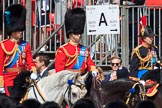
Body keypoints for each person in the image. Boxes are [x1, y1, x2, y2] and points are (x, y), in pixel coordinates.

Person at [55, 8, 104, 80]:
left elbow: (89, 63)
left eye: (80, 33)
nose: (79, 35)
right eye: (77, 33)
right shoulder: (62, 50)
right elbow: (59, 71)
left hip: (83, 78)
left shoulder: (84, 49)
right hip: (69, 80)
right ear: (70, 34)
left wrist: (93, 69)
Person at [0, 4, 37, 96]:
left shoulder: (25, 45)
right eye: (18, 30)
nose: (20, 32)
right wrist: (1, 83)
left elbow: (30, 62)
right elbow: (0, 65)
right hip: (9, 79)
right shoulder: (3, 45)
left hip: (23, 79)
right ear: (12, 30)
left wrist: (33, 72)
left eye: (21, 29)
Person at [129, 26, 161, 96]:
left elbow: (158, 61)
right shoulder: (138, 50)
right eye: (150, 37)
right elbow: (133, 67)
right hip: (142, 73)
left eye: (152, 37)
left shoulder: (154, 48)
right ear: (144, 38)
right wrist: (135, 79)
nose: (152, 39)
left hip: (155, 72)